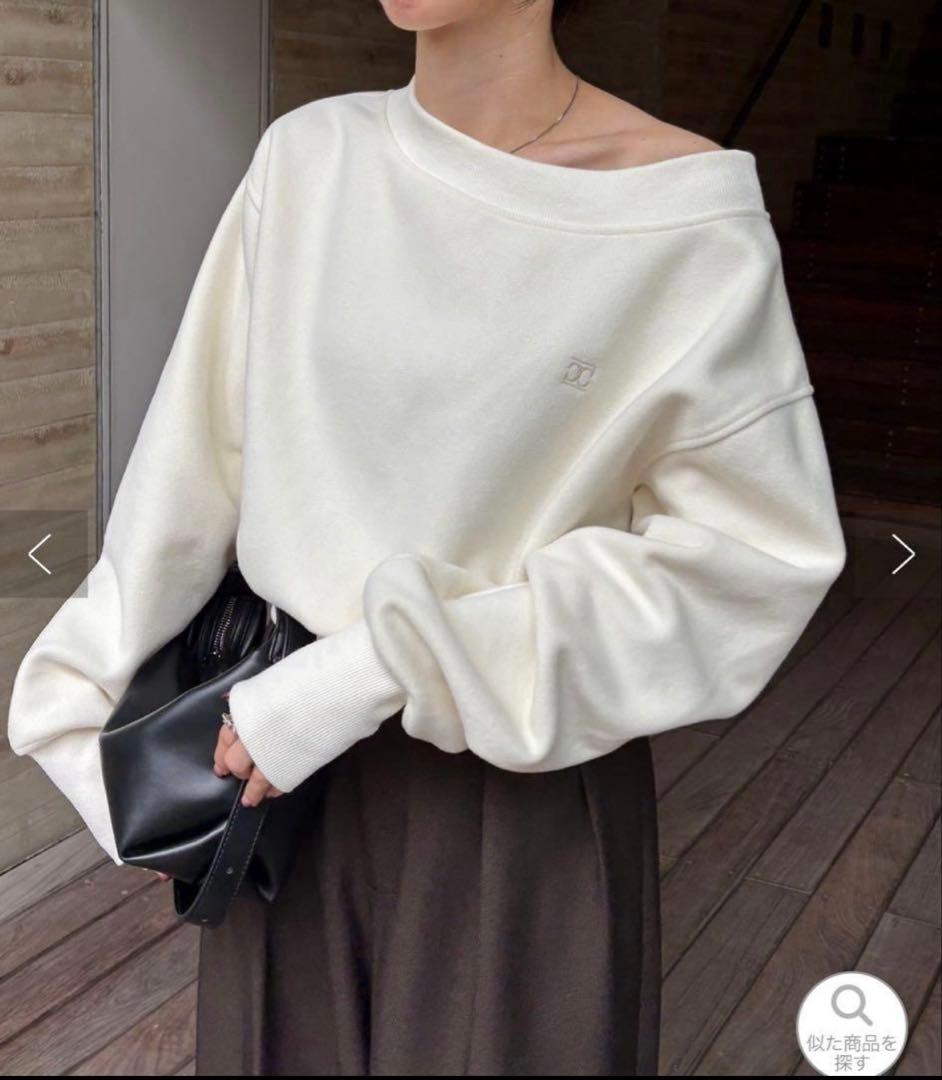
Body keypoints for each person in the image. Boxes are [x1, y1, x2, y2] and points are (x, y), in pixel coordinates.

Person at [6, 0, 847, 1075]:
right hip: (276, 782)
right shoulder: (309, 160)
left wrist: (375, 668)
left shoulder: (682, 215)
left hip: (519, 797)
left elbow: (749, 560)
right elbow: (194, 466)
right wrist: (81, 705)